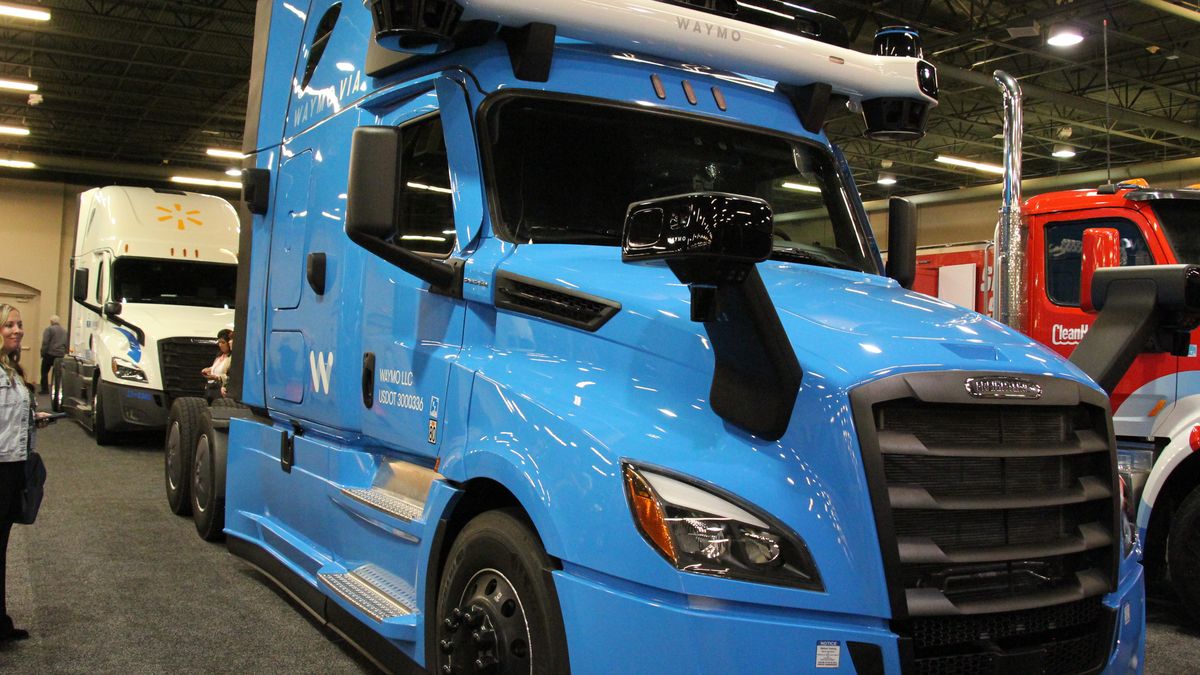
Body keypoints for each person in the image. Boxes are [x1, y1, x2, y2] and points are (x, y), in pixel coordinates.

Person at [1, 303, 54, 642]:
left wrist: (33, 419)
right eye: (9, 325)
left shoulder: (12, 371)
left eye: (19, 324)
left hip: (14, 465)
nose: (18, 330)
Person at [201, 329, 233, 403]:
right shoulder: (219, 356)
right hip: (211, 389)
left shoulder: (232, 358)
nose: (220, 345)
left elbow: (232, 375)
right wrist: (209, 369)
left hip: (221, 392)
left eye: (223, 342)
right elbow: (216, 368)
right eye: (219, 342)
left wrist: (217, 377)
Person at [39, 315, 67, 396]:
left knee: (44, 372)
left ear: (51, 321)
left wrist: (43, 353)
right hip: (60, 355)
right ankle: (57, 390)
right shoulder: (64, 331)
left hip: (50, 354)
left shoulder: (49, 329)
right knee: (58, 374)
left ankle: (45, 389)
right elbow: (66, 344)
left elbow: (45, 342)